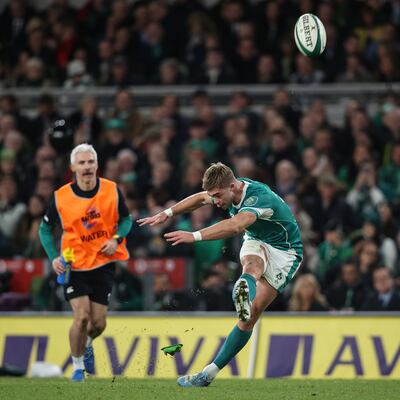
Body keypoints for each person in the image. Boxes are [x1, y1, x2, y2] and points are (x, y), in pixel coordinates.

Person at [138, 162, 302, 387]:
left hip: (286, 251)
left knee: (250, 316)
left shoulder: (256, 198)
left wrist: (194, 235)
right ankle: (244, 286)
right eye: (213, 196)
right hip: (258, 240)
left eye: (217, 196)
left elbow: (236, 226)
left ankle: (209, 371)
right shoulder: (225, 190)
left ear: (232, 187)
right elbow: (199, 198)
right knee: (252, 266)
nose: (215, 201)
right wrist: (168, 213)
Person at [38, 143, 132, 382]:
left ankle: (88, 344)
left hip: (103, 263)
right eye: (82, 162)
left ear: (97, 165)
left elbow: (127, 220)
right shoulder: (61, 197)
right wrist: (54, 258)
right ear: (73, 167)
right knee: (81, 317)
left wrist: (116, 239)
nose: (87, 167)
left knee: (98, 324)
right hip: (74, 265)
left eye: (90, 162)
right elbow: (44, 229)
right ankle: (78, 367)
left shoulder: (111, 190)